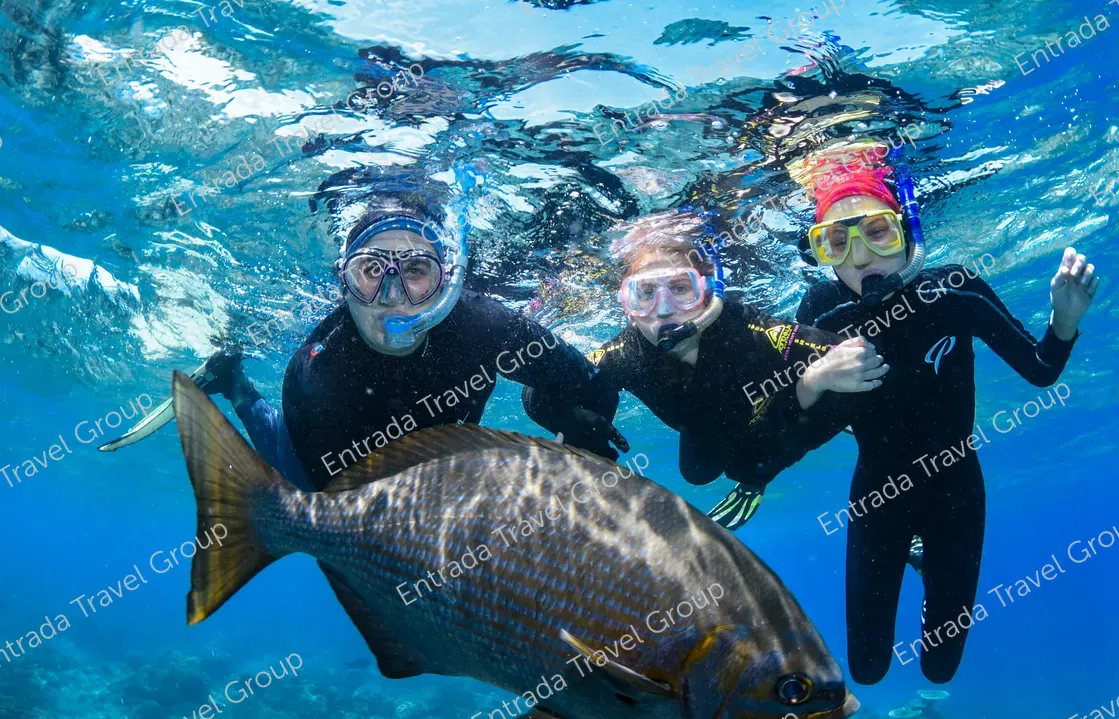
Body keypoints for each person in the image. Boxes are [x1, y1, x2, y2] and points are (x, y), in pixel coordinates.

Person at [792, 142, 1098, 686]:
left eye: (877, 231)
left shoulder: (953, 290)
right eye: (837, 241)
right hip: (875, 490)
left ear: (907, 228)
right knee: (866, 669)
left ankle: (926, 557)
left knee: (939, 668)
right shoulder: (821, 310)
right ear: (821, 251)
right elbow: (797, 428)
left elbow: (1039, 370)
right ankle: (913, 550)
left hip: (956, 487)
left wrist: (1064, 320)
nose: (860, 257)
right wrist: (814, 378)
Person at [199, 190, 626, 490]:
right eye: (370, 270)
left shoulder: (485, 325)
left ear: (445, 286)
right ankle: (235, 386)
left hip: (433, 458)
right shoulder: (319, 374)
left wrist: (565, 420)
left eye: (416, 271)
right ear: (344, 283)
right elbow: (338, 505)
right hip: (331, 468)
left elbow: (592, 384)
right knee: (294, 482)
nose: (391, 296)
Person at [524, 210, 888, 530]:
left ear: (708, 292)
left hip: (766, 424)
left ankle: (756, 478)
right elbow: (540, 385)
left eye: (680, 289)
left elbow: (852, 355)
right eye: (645, 293)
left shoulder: (751, 331)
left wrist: (814, 382)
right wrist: (573, 423)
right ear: (627, 305)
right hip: (701, 430)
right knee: (696, 474)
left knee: (749, 465)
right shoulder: (624, 353)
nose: (664, 310)